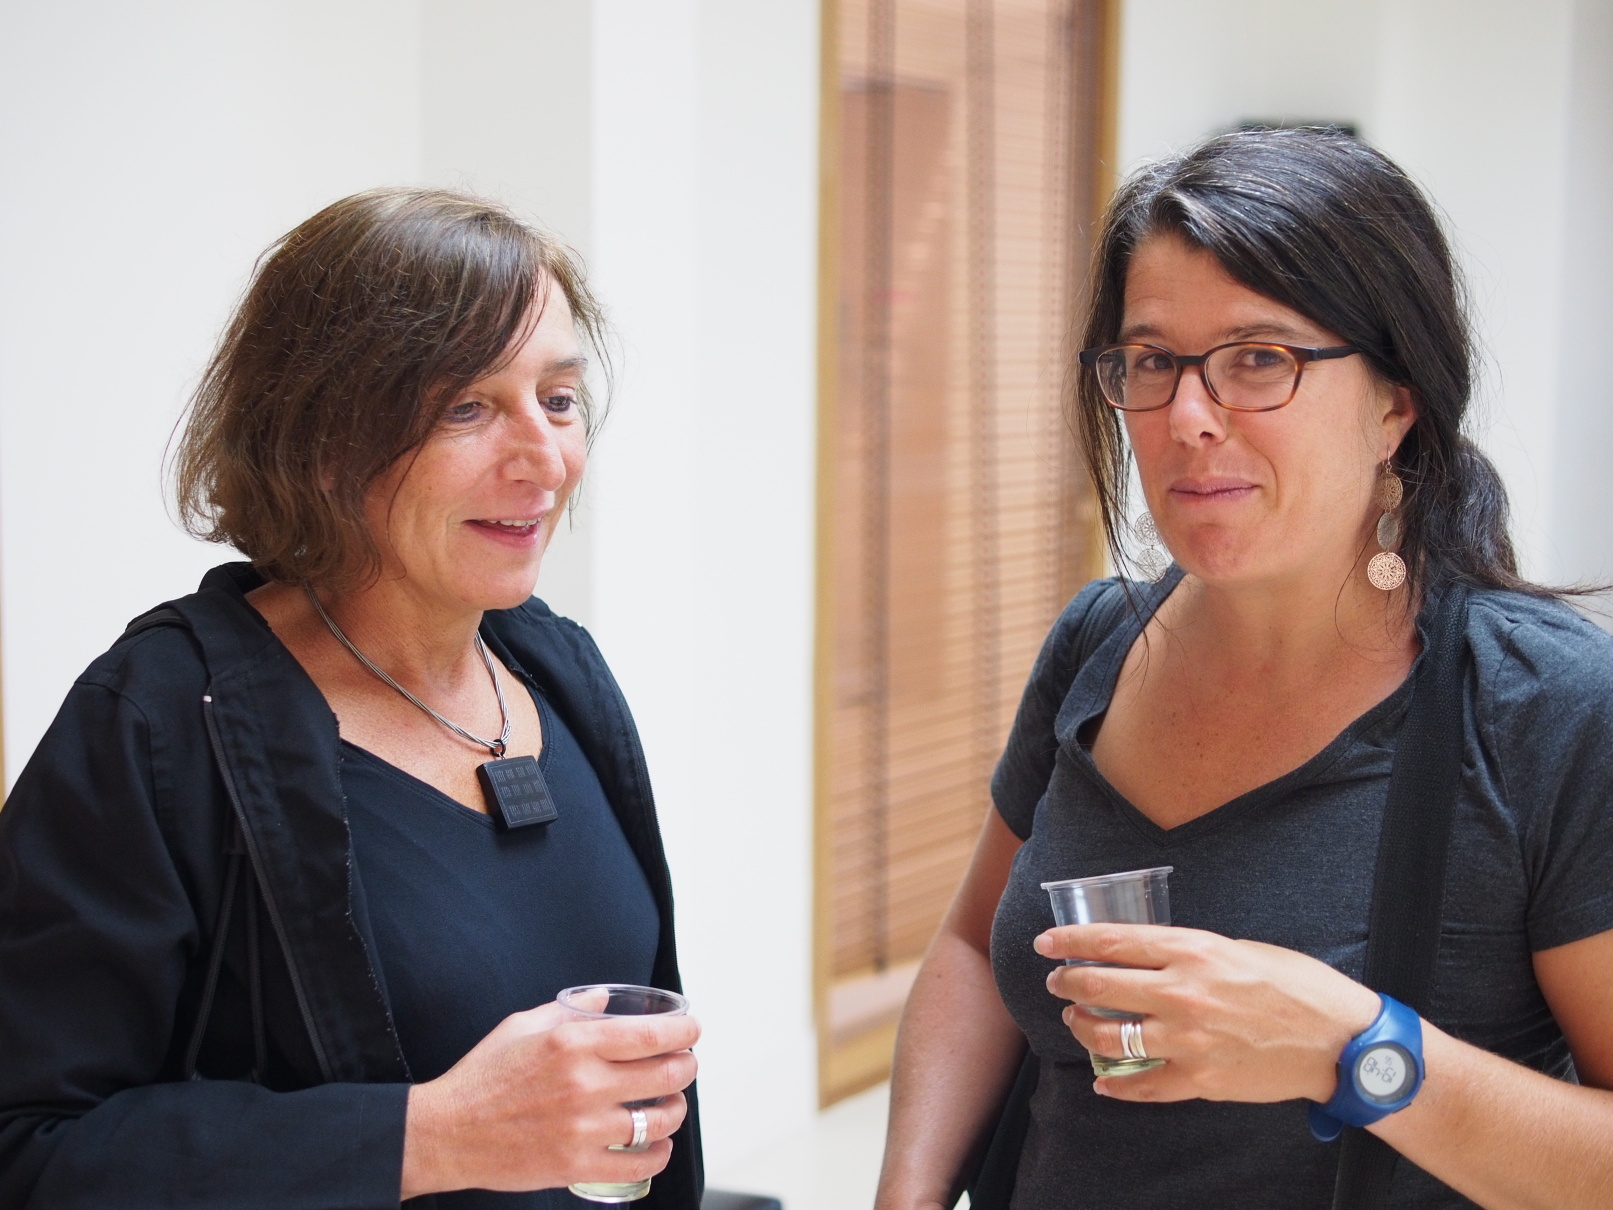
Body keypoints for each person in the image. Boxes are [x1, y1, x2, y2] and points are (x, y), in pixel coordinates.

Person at [875, 128, 1613, 1209]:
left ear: (1396, 400)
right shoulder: (1098, 642)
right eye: (1150, 361)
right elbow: (973, 955)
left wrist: (1349, 1047)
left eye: (1259, 358)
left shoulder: (1546, 708)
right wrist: (907, 1191)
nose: (1187, 418)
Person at [0, 188, 702, 1209]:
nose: (544, 459)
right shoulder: (156, 723)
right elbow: (29, 1152)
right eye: (466, 408)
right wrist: (429, 1138)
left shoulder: (560, 670)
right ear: (322, 442)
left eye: (557, 399)